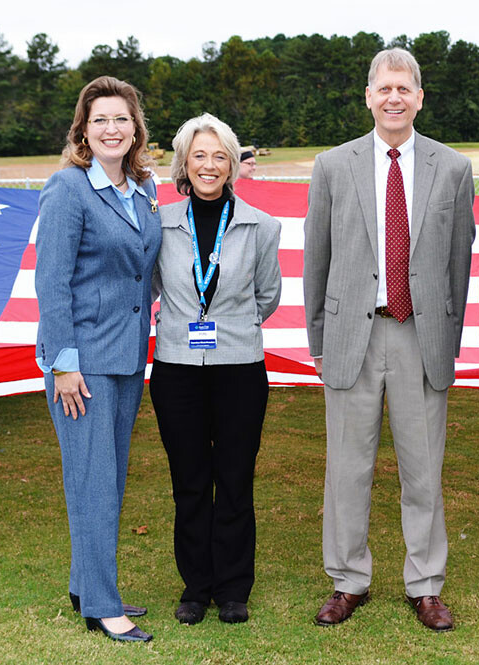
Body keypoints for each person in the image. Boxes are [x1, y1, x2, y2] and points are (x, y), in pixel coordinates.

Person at [303, 48, 475, 632]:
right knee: (346, 469)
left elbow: (458, 263)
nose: (394, 98)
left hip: (419, 337)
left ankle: (425, 584)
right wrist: (319, 338)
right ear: (369, 96)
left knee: (423, 470)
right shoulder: (332, 165)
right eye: (385, 89)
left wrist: (446, 342)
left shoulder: (452, 168)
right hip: (352, 333)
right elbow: (317, 258)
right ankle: (348, 580)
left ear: (419, 97)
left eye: (405, 89)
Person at [35, 75, 161, 643]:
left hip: (128, 359)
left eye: (122, 119)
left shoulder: (142, 187)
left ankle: (88, 585)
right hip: (80, 365)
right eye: (100, 120)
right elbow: (52, 284)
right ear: (83, 130)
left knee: (106, 481)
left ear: (135, 129)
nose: (112, 129)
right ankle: (103, 607)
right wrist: (62, 364)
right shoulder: (67, 189)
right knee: (91, 484)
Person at [150, 113, 281, 626]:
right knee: (188, 481)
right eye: (199, 156)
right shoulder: (159, 223)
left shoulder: (261, 225)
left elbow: (266, 296)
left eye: (219, 156)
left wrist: (231, 327)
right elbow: (151, 289)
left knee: (234, 480)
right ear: (185, 163)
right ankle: (195, 587)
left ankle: (232, 588)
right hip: (177, 370)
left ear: (232, 165)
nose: (209, 165)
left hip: (239, 369)